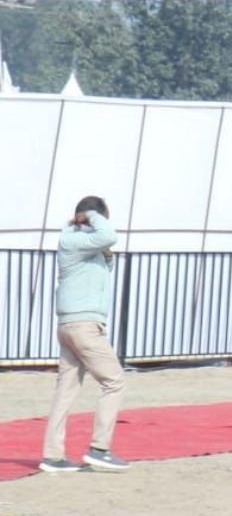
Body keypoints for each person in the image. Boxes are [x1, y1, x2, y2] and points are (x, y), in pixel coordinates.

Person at [40, 196, 131, 473]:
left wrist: (105, 253)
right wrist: (91, 215)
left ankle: (53, 455)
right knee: (114, 381)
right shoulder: (74, 239)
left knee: (65, 390)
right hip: (84, 326)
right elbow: (109, 234)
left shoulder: (86, 245)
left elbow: (103, 265)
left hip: (71, 325)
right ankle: (99, 448)